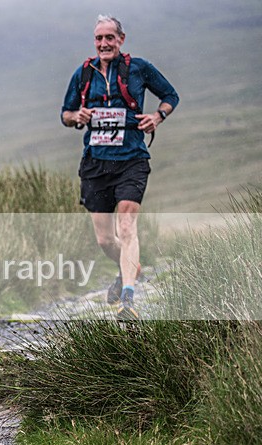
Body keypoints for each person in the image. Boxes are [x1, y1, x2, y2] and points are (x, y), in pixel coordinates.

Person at [61, 15, 179, 319]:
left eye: (109, 38)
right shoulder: (83, 74)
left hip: (132, 159)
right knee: (105, 239)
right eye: (99, 39)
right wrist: (78, 117)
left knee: (126, 226)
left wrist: (157, 117)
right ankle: (128, 268)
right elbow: (65, 113)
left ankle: (128, 300)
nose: (104, 44)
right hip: (96, 163)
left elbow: (170, 95)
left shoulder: (138, 68)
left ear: (121, 40)